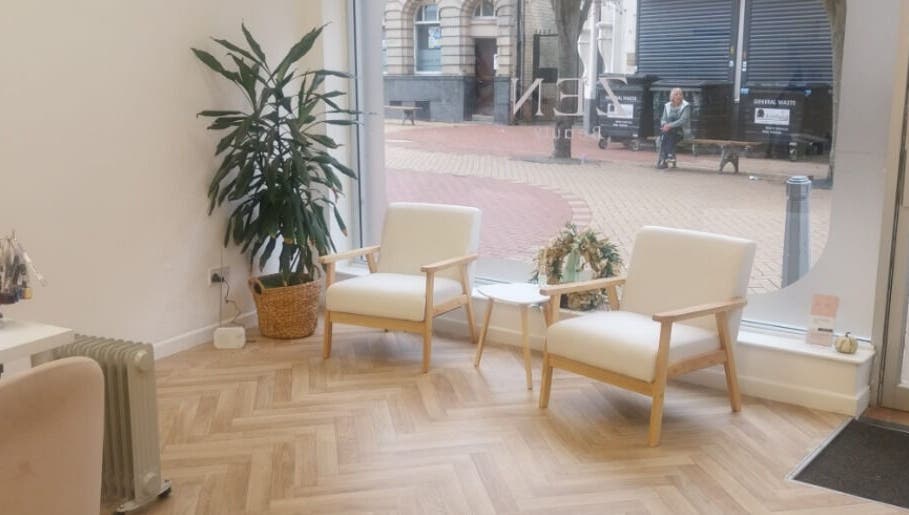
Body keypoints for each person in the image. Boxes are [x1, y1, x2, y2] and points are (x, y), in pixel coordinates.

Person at [657, 87, 691, 169]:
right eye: (676, 94)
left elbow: (682, 120)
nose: (679, 96)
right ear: (672, 96)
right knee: (667, 136)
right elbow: (663, 119)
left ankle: (664, 160)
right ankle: (669, 156)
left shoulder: (686, 106)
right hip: (669, 132)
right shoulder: (667, 105)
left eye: (680, 94)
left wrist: (669, 126)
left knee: (665, 136)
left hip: (681, 132)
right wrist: (665, 124)